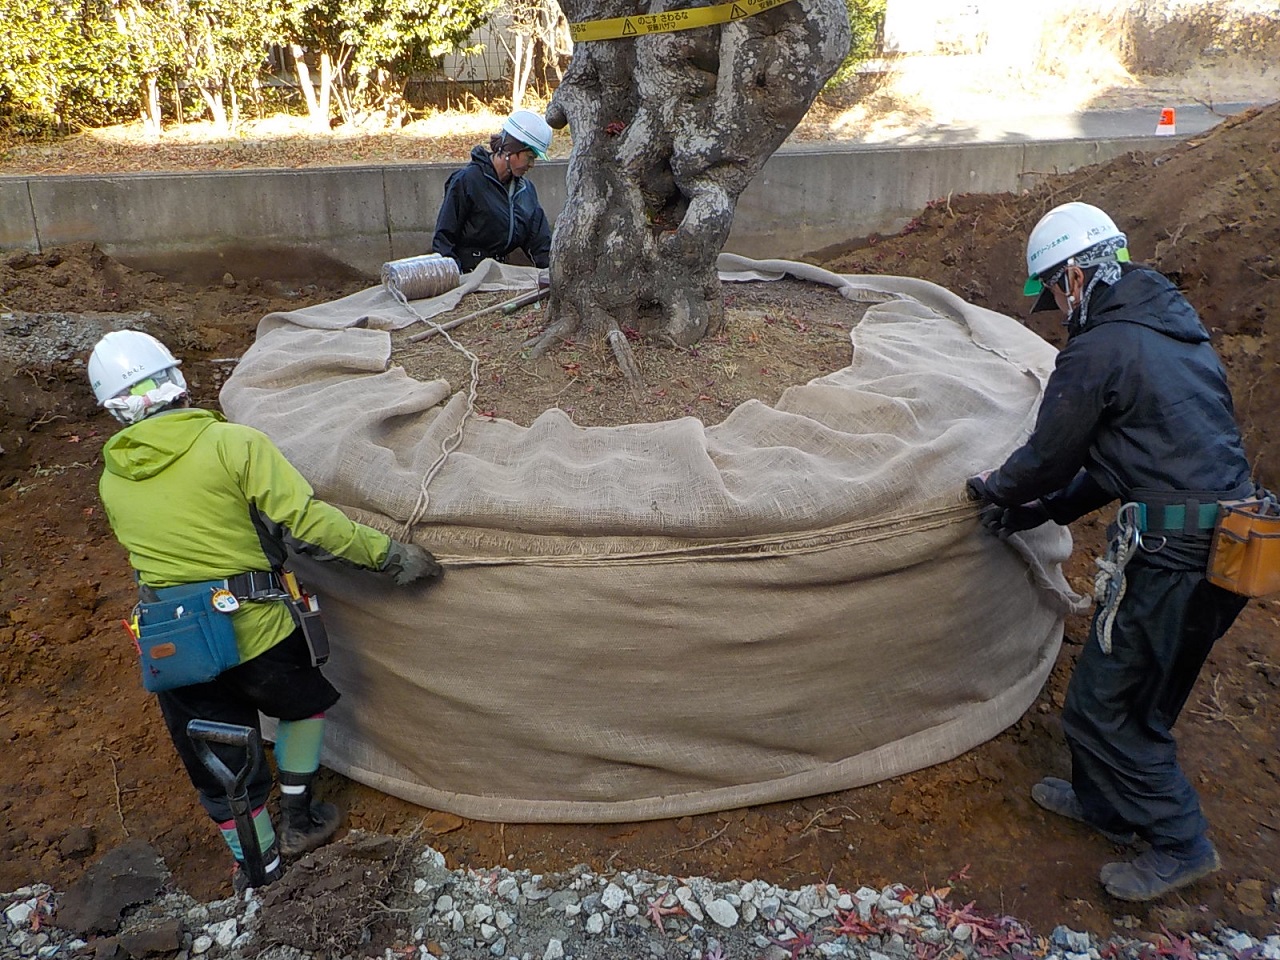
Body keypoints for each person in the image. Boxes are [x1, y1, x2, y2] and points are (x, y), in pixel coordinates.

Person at [965, 201, 1258, 902]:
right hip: (1230, 543)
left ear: (1074, 273)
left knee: (1103, 706)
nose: (1056, 306)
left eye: (1053, 291)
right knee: (1140, 693)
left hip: (1174, 556)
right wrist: (1041, 510)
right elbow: (1115, 465)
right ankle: (1104, 804)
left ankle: (1179, 843)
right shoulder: (1173, 332)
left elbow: (1047, 453)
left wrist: (996, 489)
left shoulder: (1100, 349)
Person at [88, 329, 442, 890]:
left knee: (215, 755)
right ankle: (300, 818)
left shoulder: (112, 478)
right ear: (178, 383)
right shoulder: (234, 445)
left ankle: (258, 865)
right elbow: (310, 522)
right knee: (299, 705)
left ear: (115, 407)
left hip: (172, 642)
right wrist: (389, 556)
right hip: (255, 625)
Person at [432, 109, 554, 274]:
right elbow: (444, 238)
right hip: (468, 273)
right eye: (530, 157)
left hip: (499, 272)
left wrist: (552, 272)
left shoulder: (526, 191)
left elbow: (540, 243)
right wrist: (452, 275)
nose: (532, 164)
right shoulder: (468, 181)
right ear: (512, 150)